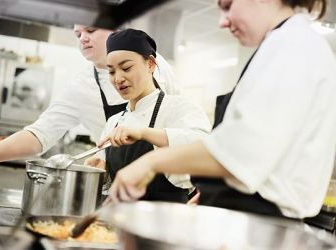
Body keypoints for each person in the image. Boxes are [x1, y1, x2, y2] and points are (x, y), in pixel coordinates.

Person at [107, 0, 336, 219]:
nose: (222, 22)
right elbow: (264, 152)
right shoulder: (285, 45)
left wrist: (150, 162)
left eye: (228, 6)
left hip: (261, 222)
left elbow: (242, 152)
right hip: (246, 214)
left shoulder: (293, 46)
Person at [0, 25, 179, 178]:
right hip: (119, 187)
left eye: (90, 31)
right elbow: (40, 134)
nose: (83, 38)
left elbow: (179, 122)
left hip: (168, 179)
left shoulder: (157, 65)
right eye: (78, 34)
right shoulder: (81, 86)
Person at [87, 28, 211, 203]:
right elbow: (113, 180)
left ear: (151, 64)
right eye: (112, 71)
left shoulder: (178, 107)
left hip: (166, 219)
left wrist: (144, 133)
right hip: (119, 220)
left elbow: (204, 145)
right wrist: (101, 170)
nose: (118, 78)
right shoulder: (114, 122)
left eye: (126, 67)